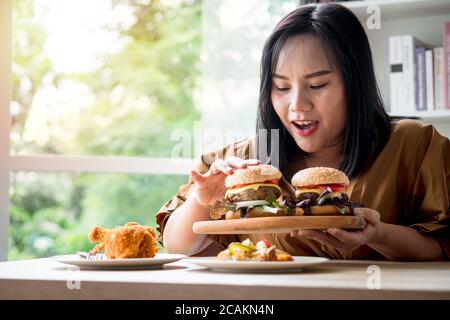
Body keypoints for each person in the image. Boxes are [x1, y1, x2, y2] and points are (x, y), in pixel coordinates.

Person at [157, 3, 450, 260]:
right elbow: (176, 245)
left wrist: (378, 234)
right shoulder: (242, 162)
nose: (297, 105)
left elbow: (442, 244)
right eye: (281, 87)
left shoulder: (414, 144)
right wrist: (202, 199)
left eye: (317, 85)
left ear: (354, 83)